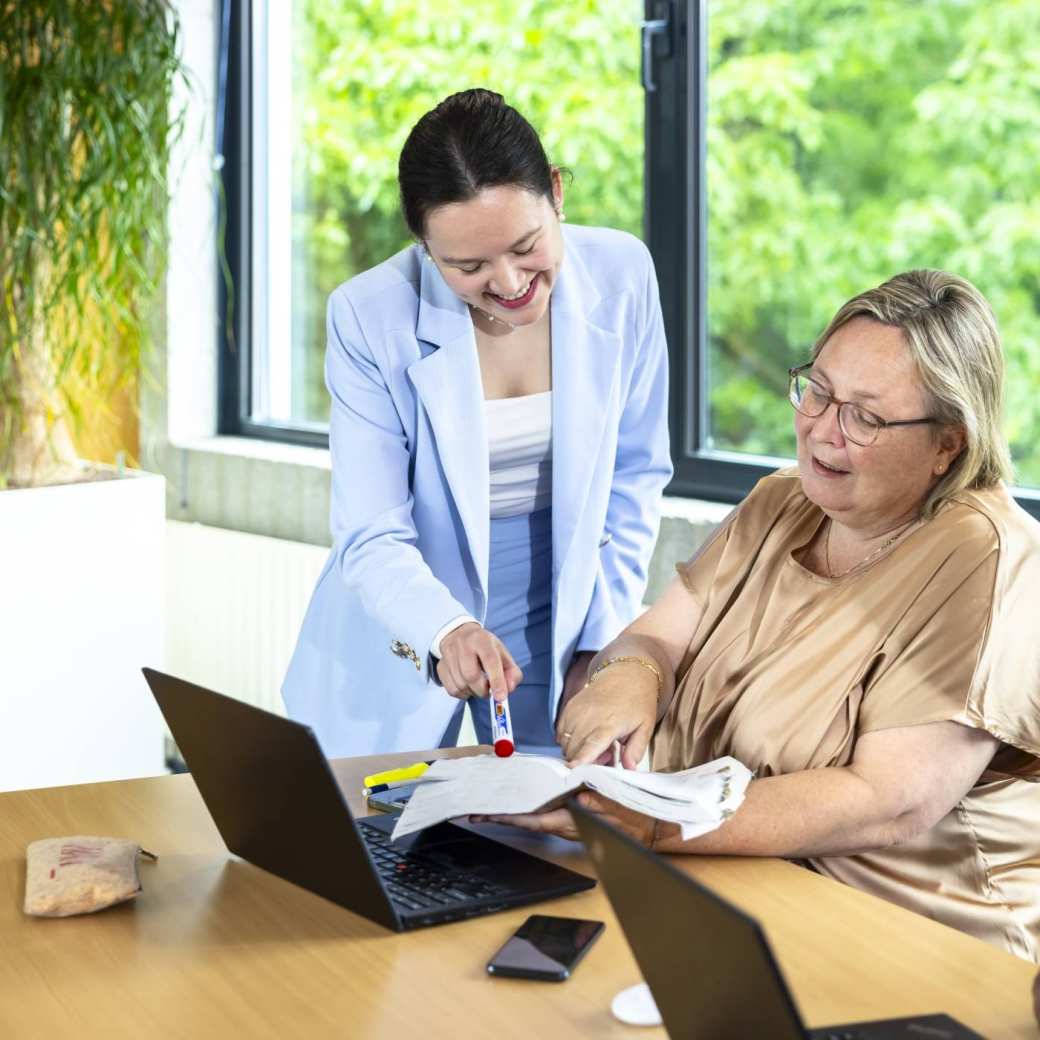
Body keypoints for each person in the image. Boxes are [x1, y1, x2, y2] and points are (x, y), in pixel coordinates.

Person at [479, 269, 1040, 962]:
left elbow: (890, 800)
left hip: (917, 951)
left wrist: (657, 820)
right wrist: (629, 680)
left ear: (948, 443)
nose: (823, 431)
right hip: (734, 908)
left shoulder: (986, 555)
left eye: (865, 416)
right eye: (820, 392)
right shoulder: (781, 502)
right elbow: (656, 635)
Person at [282, 89, 672, 757]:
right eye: (468, 266)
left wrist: (598, 638)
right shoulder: (368, 316)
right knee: (379, 840)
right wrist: (447, 629)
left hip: (562, 606)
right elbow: (372, 531)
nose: (510, 280)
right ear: (426, 249)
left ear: (555, 192)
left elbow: (635, 474)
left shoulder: (623, 273)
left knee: (552, 836)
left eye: (526, 246)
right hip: (410, 615)